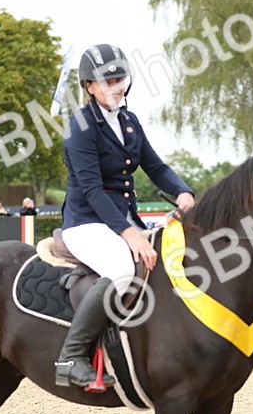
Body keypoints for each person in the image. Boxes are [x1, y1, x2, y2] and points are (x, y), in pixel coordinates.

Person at [54, 43, 196, 388]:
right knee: (121, 269)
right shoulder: (79, 128)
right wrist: (129, 234)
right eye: (105, 81)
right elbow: (92, 191)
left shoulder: (129, 122)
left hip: (123, 219)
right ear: (88, 86)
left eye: (119, 78)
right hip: (87, 222)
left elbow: (155, 166)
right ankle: (71, 356)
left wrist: (184, 192)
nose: (114, 86)